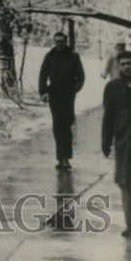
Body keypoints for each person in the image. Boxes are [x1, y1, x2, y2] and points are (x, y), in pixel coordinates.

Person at [38, 31, 85, 170]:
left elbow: (81, 76)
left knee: (68, 122)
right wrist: (44, 92)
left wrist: (75, 89)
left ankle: (65, 156)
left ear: (66, 41)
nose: (58, 44)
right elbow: (42, 75)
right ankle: (62, 158)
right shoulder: (50, 56)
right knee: (59, 125)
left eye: (61, 41)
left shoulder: (74, 56)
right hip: (55, 95)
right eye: (56, 41)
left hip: (68, 95)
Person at [102, 49, 131, 238]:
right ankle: (130, 225)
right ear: (118, 66)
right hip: (123, 141)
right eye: (123, 64)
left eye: (129, 63)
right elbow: (108, 116)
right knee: (125, 182)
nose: (127, 67)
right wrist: (106, 141)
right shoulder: (112, 87)